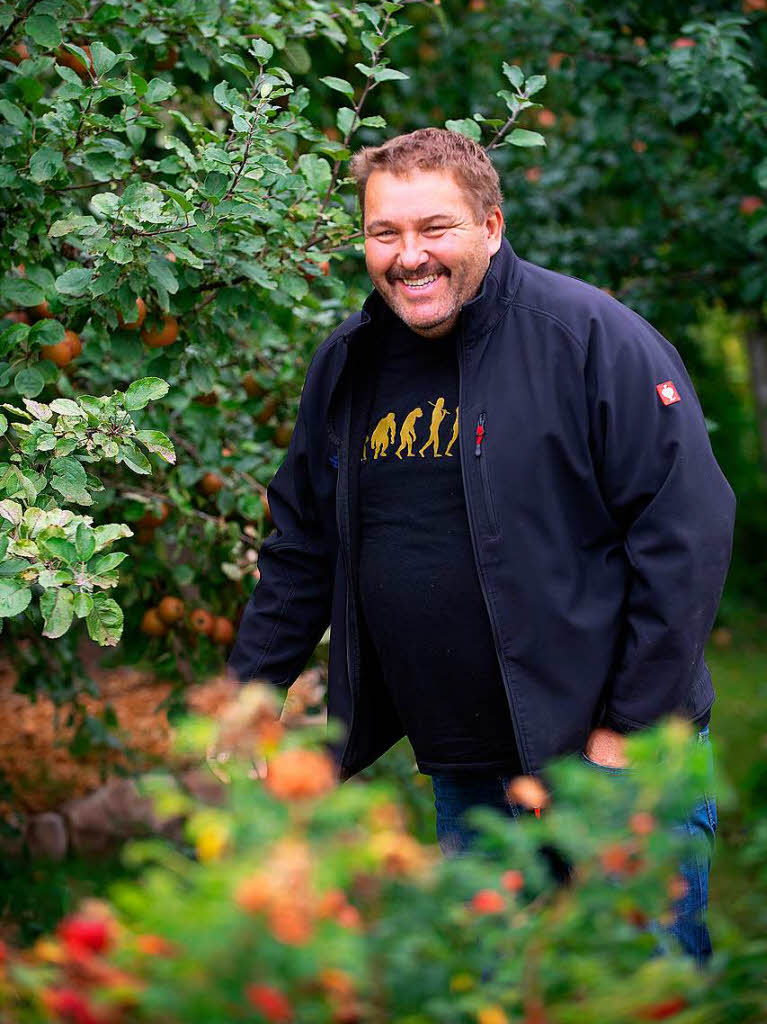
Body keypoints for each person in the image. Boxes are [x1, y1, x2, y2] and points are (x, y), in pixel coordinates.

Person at [227, 128, 736, 964]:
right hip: (465, 760)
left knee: (639, 988)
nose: (408, 256)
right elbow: (302, 543)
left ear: (491, 227)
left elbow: (685, 531)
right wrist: (251, 690)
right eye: (383, 233)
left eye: (435, 229)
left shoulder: (587, 339)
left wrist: (625, 734)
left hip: (612, 757)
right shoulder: (349, 367)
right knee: (496, 991)